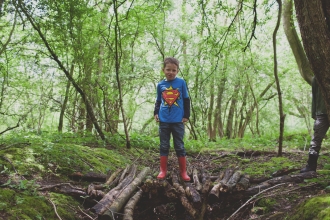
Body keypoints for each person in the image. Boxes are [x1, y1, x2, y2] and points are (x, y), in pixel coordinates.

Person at [154, 57, 191, 181]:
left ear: (177, 71)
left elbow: (186, 99)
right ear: (163, 69)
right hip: (164, 120)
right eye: (168, 69)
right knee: (164, 145)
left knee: (179, 146)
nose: (171, 72)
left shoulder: (181, 83)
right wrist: (156, 113)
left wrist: (186, 115)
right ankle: (163, 170)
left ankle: (183, 172)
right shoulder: (160, 85)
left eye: (174, 70)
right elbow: (158, 101)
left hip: (178, 121)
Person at [301, 76, 329, 173]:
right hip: (321, 113)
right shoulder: (316, 77)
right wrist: (314, 113)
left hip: (321, 113)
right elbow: (314, 95)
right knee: (316, 141)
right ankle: (311, 166)